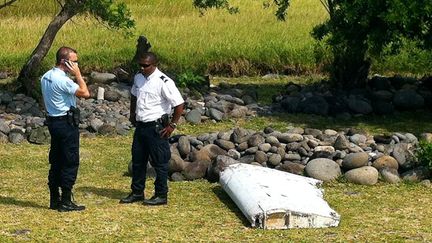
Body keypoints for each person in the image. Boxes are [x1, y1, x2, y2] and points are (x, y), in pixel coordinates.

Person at [120, 52, 184, 206]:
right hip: (141, 126)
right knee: (138, 160)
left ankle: (161, 194)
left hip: (156, 127)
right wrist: (132, 113)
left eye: (146, 65)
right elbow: (134, 95)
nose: (142, 68)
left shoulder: (164, 81)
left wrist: (172, 125)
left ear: (155, 64)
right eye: (140, 65)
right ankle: (137, 192)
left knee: (160, 162)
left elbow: (179, 104)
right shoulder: (138, 77)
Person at [40, 46, 90, 212]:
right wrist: (78, 75)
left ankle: (54, 198)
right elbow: (85, 92)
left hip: (53, 121)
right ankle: (66, 200)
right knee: (70, 160)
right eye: (74, 62)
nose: (76, 65)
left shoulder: (46, 76)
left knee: (56, 159)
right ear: (65, 61)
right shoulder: (63, 80)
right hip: (66, 123)